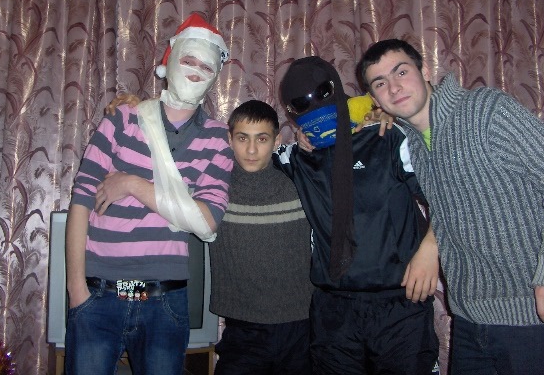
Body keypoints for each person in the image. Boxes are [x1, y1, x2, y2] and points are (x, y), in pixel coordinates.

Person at [359, 39, 544, 374]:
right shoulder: (414, 142)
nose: (394, 87)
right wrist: (308, 134)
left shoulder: (486, 110)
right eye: (381, 83)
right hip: (469, 321)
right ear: (375, 98)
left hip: (530, 316)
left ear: (425, 71)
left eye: (401, 72)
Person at [64, 13, 235, 375]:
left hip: (164, 300)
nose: (196, 71)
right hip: (99, 293)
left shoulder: (218, 138)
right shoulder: (123, 118)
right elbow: (81, 200)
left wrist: (130, 184)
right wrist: (76, 288)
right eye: (189, 60)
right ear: (168, 62)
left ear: (216, 76)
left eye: (206, 66)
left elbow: (206, 222)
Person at [277, 56, 440, 374]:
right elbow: (248, 159)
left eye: (321, 93)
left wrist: (430, 249)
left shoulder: (387, 137)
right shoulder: (296, 158)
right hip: (334, 311)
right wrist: (298, 138)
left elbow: (448, 196)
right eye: (301, 103)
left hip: (400, 303)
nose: (313, 105)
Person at [208, 100, 314, 374]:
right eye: (243, 138)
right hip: (242, 332)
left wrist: (371, 119)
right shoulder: (214, 187)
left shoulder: (300, 180)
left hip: (302, 328)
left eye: (262, 139)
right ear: (230, 139)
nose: (252, 150)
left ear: (277, 140)